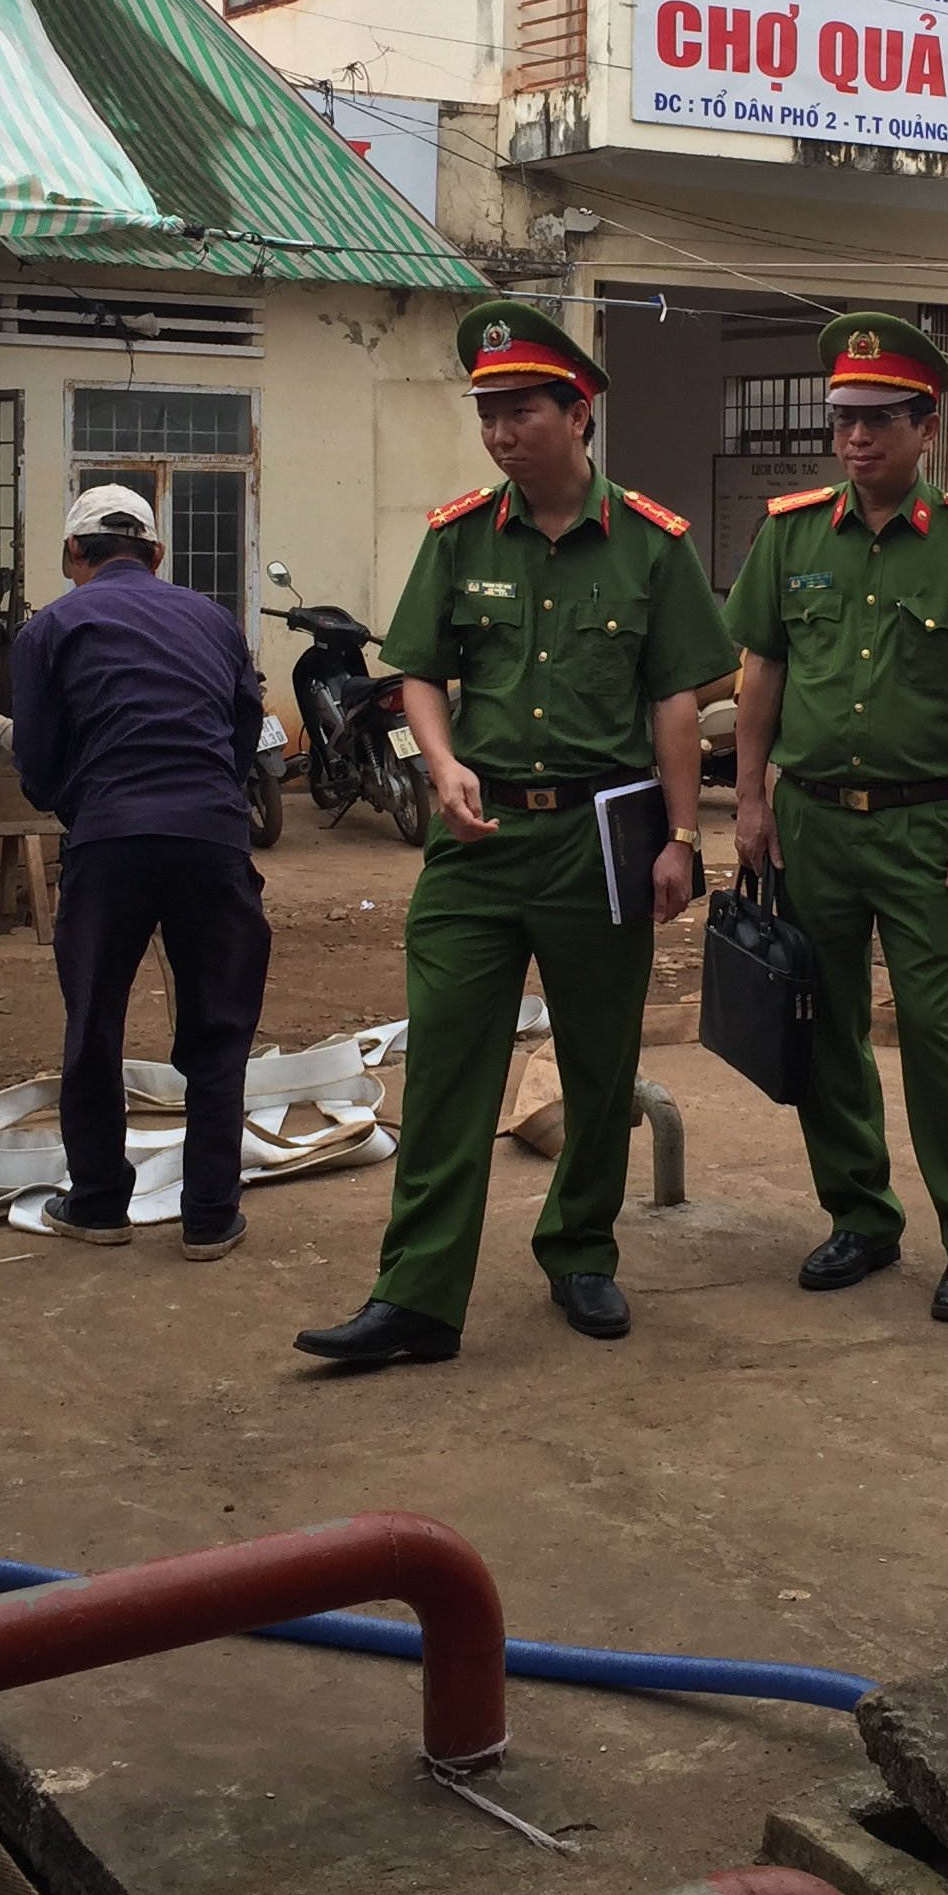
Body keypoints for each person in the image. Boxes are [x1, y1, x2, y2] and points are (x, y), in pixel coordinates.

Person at [295, 302, 725, 1365]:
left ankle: (581, 1250)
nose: (500, 432)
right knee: (447, 1065)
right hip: (476, 852)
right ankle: (418, 1297)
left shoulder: (654, 549)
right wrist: (438, 766)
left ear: (578, 413)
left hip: (597, 842)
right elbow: (423, 675)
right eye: (487, 413)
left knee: (597, 1057)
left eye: (521, 411)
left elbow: (677, 706)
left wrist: (679, 837)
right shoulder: (456, 539)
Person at [728, 313, 948, 1324]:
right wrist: (752, 800)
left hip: (918, 828)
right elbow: (762, 673)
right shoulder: (790, 533)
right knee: (824, 1030)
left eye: (878, 421)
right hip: (813, 822)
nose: (855, 440)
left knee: (938, 1029)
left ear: (925, 426)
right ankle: (860, 1215)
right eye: (843, 420)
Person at [8, 481, 274, 1257]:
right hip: (211, 841)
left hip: (110, 841)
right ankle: (210, 1216)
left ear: (72, 555)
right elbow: (244, 725)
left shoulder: (50, 627)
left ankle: (95, 1204)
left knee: (94, 1024)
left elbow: (36, 764)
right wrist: (208, 804)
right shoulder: (215, 620)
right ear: (158, 555)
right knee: (219, 1031)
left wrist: (87, 806)